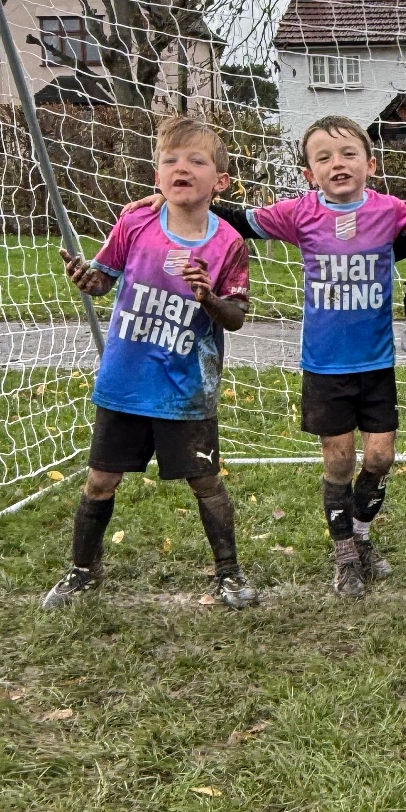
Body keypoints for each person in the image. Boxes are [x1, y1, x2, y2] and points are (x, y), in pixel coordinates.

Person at [210, 115, 406, 598]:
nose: (338, 164)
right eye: (324, 158)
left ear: (370, 163)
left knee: (380, 455)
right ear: (310, 173)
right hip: (324, 364)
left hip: (375, 361)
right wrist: (178, 199)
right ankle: (346, 556)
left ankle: (361, 535)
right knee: (340, 460)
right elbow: (240, 220)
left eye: (348, 154)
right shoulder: (300, 214)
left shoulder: (391, 211)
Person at [42, 117, 255, 611]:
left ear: (218, 182)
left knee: (205, 480)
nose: (181, 168)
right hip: (126, 380)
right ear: (156, 176)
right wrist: (84, 277)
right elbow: (103, 280)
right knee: (100, 479)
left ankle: (229, 572)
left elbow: (238, 316)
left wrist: (208, 298)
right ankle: (82, 570)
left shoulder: (228, 244)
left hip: (186, 388)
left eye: (196, 161)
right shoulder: (135, 222)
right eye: (170, 161)